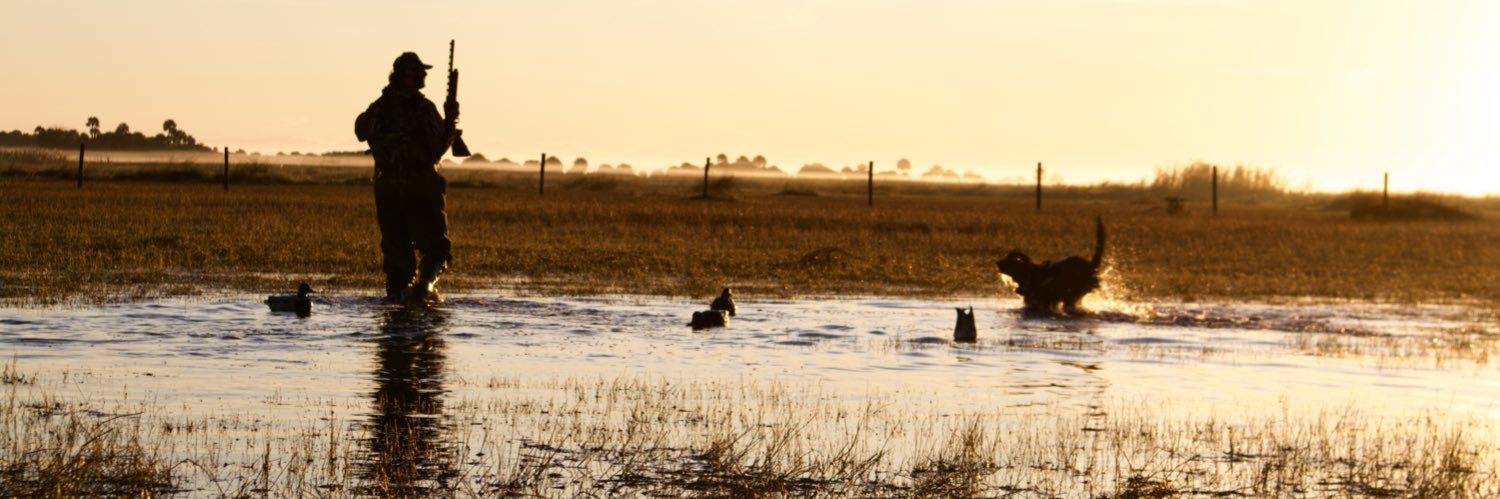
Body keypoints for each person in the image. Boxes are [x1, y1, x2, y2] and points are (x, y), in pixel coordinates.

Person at [355, 51, 459, 304]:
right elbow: (436, 149)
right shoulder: (423, 109)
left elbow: (360, 130)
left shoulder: (378, 107)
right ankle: (424, 289)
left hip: (387, 188)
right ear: (407, 75)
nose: (424, 75)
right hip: (421, 186)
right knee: (436, 250)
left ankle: (398, 305)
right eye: (419, 71)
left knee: (397, 255)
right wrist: (450, 123)